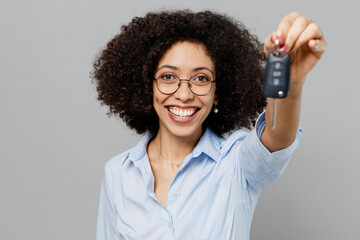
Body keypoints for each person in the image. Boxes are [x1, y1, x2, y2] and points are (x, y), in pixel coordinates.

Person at [92, 10, 326, 240]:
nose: (184, 94)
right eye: (168, 77)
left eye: (201, 78)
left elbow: (276, 138)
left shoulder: (236, 163)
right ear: (147, 86)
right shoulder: (117, 173)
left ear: (216, 93)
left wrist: (291, 84)